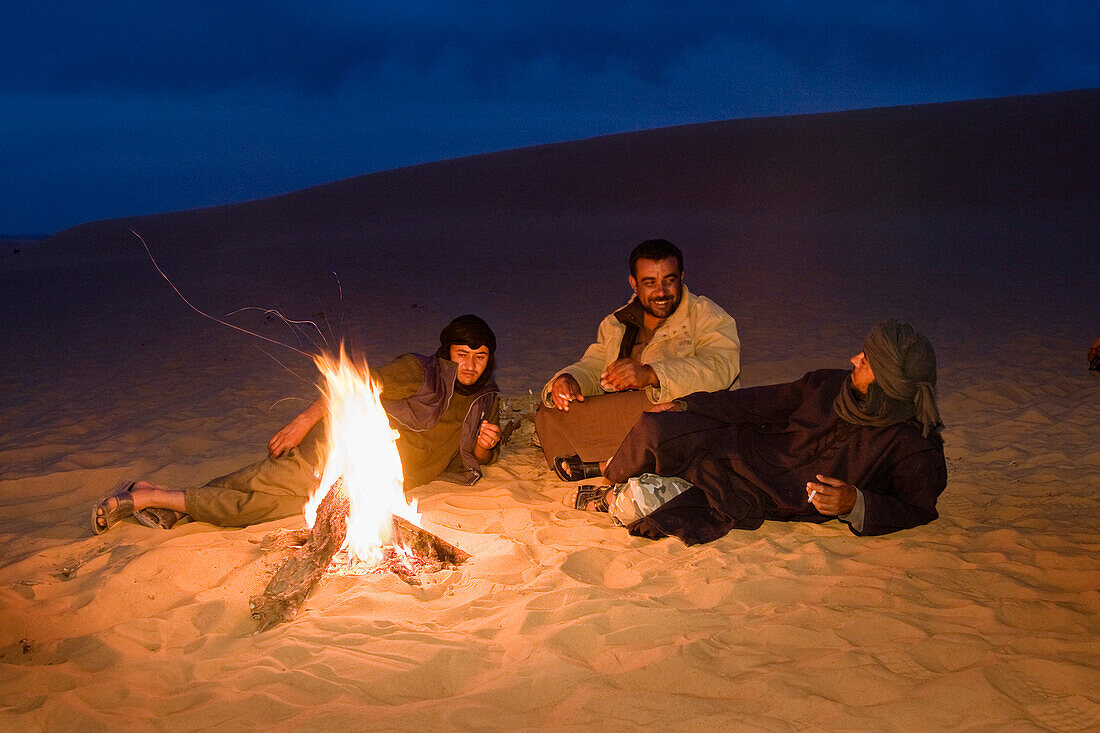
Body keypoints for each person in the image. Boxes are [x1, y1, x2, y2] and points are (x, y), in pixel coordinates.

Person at [92, 315, 502, 534]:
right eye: (462, 354)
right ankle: (149, 498)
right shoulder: (420, 371)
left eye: (479, 356)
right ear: (447, 352)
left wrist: (485, 445)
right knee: (269, 480)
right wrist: (305, 421)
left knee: (267, 501)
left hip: (370, 485)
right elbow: (353, 385)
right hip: (344, 452)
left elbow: (474, 456)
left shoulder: (487, 399)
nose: (469, 365)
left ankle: (160, 498)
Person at [561, 320, 947, 543]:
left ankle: (611, 492)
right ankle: (610, 472)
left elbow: (917, 508)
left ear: (890, 381)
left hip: (770, 494)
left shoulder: (913, 445)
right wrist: (689, 404)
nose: (853, 359)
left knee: (657, 502)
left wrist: (855, 503)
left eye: (866, 360)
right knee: (657, 425)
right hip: (747, 448)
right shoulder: (831, 384)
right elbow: (762, 401)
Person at [535, 238, 741, 478]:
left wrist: (653, 374)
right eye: (650, 283)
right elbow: (595, 367)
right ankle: (622, 459)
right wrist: (570, 379)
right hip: (629, 416)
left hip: (678, 415)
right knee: (549, 413)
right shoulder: (618, 322)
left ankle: (603, 463)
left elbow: (721, 367)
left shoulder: (706, 315)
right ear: (634, 284)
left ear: (682, 277)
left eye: (669, 281)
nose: (661, 292)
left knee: (661, 423)